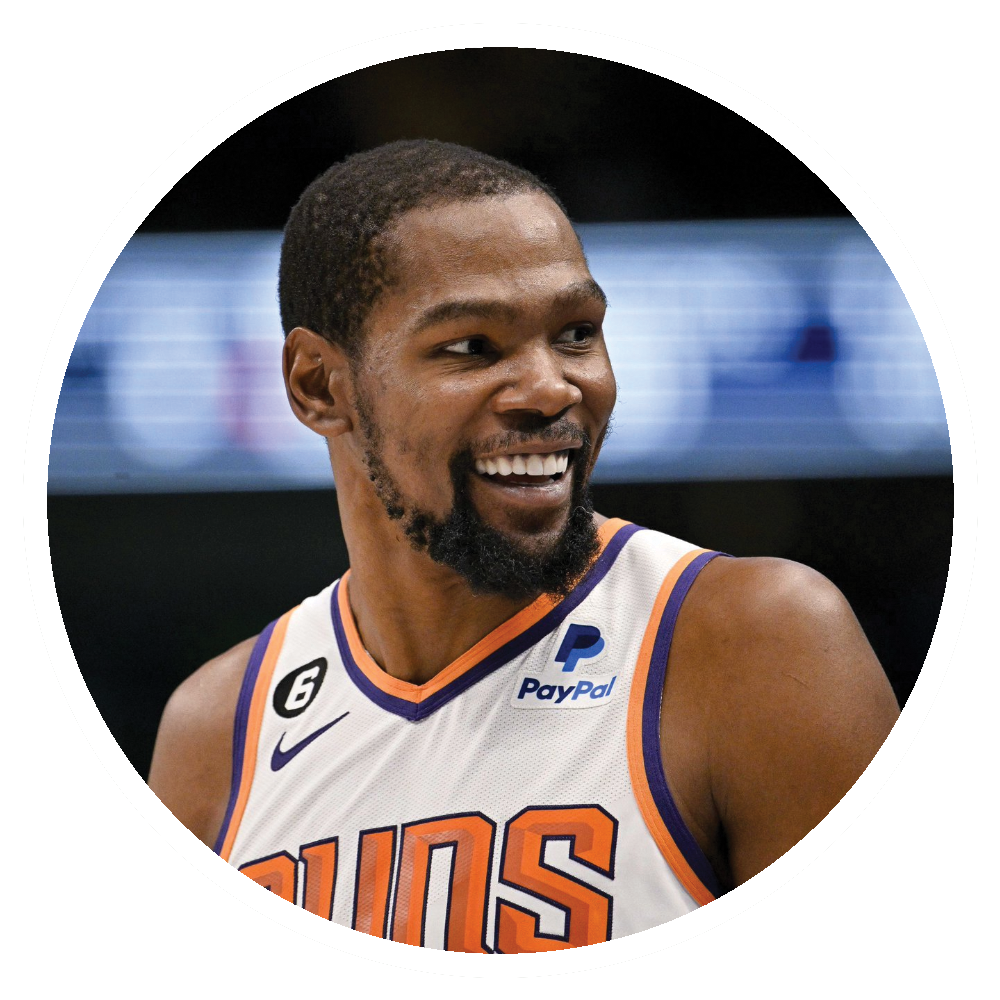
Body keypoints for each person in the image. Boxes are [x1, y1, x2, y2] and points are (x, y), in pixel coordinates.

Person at [148, 139, 900, 952]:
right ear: (319, 386)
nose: (551, 388)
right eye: (472, 346)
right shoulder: (217, 730)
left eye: (576, 333)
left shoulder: (753, 641)